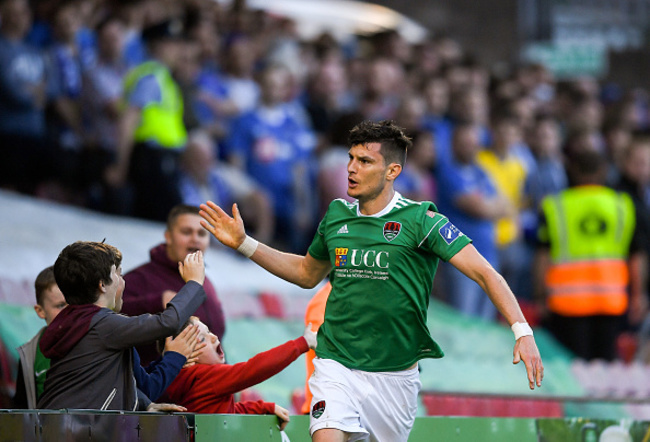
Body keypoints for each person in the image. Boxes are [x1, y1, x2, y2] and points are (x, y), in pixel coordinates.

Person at [200, 120, 543, 442]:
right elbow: (307, 273)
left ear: (392, 171)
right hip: (336, 363)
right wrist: (246, 244)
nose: (351, 168)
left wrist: (522, 331)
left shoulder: (422, 220)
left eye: (365, 161)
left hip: (394, 376)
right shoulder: (336, 216)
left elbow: (486, 273)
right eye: (351, 158)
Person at [36, 241, 206, 411]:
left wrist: (171, 357)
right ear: (102, 284)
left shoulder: (76, 324)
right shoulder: (103, 325)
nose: (123, 282)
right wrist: (194, 283)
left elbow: (147, 387)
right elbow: (167, 323)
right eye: (118, 274)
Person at [535, 150, 643, 361]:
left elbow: (542, 256)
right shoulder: (623, 205)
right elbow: (636, 256)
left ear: (573, 171)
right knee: (604, 367)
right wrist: (638, 295)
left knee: (573, 367)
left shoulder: (555, 206)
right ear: (604, 171)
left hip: (567, 302)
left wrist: (539, 295)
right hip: (611, 300)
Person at [161, 317, 317, 430]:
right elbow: (255, 368)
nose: (214, 337)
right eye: (202, 339)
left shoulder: (178, 381)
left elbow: (226, 413)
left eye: (208, 331)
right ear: (187, 356)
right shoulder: (207, 375)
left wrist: (262, 408)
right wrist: (301, 343)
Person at [103, 18, 188, 221]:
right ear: (156, 45)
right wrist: (120, 165)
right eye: (172, 44)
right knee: (164, 220)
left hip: (160, 160)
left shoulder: (162, 77)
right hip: (152, 160)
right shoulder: (151, 76)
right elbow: (128, 121)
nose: (178, 50)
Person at [121, 204, 226, 366]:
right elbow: (107, 320)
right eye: (186, 232)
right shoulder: (138, 279)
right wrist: (156, 301)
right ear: (168, 236)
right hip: (160, 386)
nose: (195, 239)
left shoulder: (207, 283)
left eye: (202, 233)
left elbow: (218, 341)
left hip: (208, 384)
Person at [14, 267, 67, 408]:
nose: (69, 312)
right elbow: (21, 411)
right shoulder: (29, 355)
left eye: (73, 303)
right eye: (61, 305)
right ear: (40, 311)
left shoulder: (93, 343)